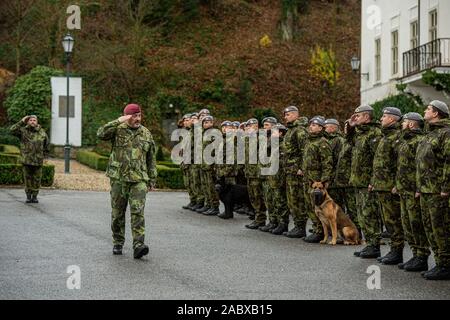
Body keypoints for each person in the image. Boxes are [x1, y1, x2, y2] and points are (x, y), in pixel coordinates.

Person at [97, 103, 157, 259]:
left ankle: (138, 245)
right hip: (119, 178)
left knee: (138, 212)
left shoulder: (146, 133)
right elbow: (100, 133)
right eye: (134, 116)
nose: (137, 119)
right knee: (118, 213)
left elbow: (151, 158)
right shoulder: (118, 130)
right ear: (126, 117)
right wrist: (118, 120)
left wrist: (152, 178)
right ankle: (118, 241)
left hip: (139, 179)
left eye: (139, 115)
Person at [416, 100, 450, 280]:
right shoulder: (429, 134)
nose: (424, 111)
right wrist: (419, 187)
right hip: (426, 189)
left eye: (428, 109)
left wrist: (446, 187)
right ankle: (439, 263)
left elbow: (448, 162)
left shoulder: (445, 133)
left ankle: (446, 264)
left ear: (436, 113)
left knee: (440, 229)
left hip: (438, 191)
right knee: (430, 228)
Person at [395, 112, 429, 272]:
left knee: (416, 223)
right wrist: (397, 184)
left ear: (411, 124)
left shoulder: (419, 141)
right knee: (407, 223)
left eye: (404, 122)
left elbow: (421, 167)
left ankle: (422, 256)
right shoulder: (405, 140)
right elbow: (401, 167)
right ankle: (415, 254)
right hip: (403, 189)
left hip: (413, 190)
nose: (402, 124)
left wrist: (418, 187)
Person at [348, 105, 383, 259]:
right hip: (358, 180)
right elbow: (349, 141)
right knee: (362, 214)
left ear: (367, 117)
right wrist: (351, 127)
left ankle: (374, 245)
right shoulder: (360, 133)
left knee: (370, 214)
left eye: (358, 116)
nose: (355, 118)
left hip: (367, 181)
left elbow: (378, 159)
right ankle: (369, 243)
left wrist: (373, 180)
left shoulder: (374, 133)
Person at [372, 107, 404, 265]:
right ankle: (394, 250)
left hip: (390, 186)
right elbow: (378, 163)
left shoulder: (397, 137)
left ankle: (397, 251)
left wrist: (397, 184)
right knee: (388, 220)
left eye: (384, 116)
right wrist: (374, 181)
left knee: (394, 220)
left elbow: (401, 164)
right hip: (381, 185)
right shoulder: (385, 136)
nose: (381, 119)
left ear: (392, 119)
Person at [301, 117, 333, 243]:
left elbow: (327, 163)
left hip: (318, 181)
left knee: (318, 207)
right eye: (311, 124)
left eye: (314, 125)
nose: (311, 127)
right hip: (309, 180)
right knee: (310, 206)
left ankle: (320, 231)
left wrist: (324, 181)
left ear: (321, 128)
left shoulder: (323, 142)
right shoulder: (309, 141)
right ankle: (316, 228)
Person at [282, 106, 309, 238]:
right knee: (292, 199)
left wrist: (302, 168)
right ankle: (297, 225)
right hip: (289, 170)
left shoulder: (299, 131)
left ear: (295, 115)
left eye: (288, 115)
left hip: (296, 170)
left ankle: (301, 226)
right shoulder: (290, 130)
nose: (285, 117)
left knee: (298, 199)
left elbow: (304, 150)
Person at [10, 115, 49, 204]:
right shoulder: (23, 131)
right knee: (27, 179)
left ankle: (35, 197)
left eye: (34, 120)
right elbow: (12, 130)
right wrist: (22, 121)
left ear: (37, 122)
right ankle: (28, 196)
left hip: (38, 160)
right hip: (26, 160)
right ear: (28, 122)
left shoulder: (42, 133)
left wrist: (46, 157)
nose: (32, 121)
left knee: (37, 179)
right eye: (30, 120)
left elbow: (47, 145)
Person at [245, 118, 267, 229]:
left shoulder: (260, 137)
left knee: (258, 196)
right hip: (249, 172)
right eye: (248, 126)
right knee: (253, 196)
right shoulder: (248, 138)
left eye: (253, 126)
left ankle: (261, 219)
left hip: (257, 172)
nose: (250, 128)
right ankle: (257, 217)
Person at [259, 117, 279, 233]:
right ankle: (272, 221)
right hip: (265, 171)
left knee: (275, 199)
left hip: (274, 172)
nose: (264, 127)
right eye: (264, 125)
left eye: (267, 125)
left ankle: (276, 222)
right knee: (268, 199)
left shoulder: (277, 137)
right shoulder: (264, 137)